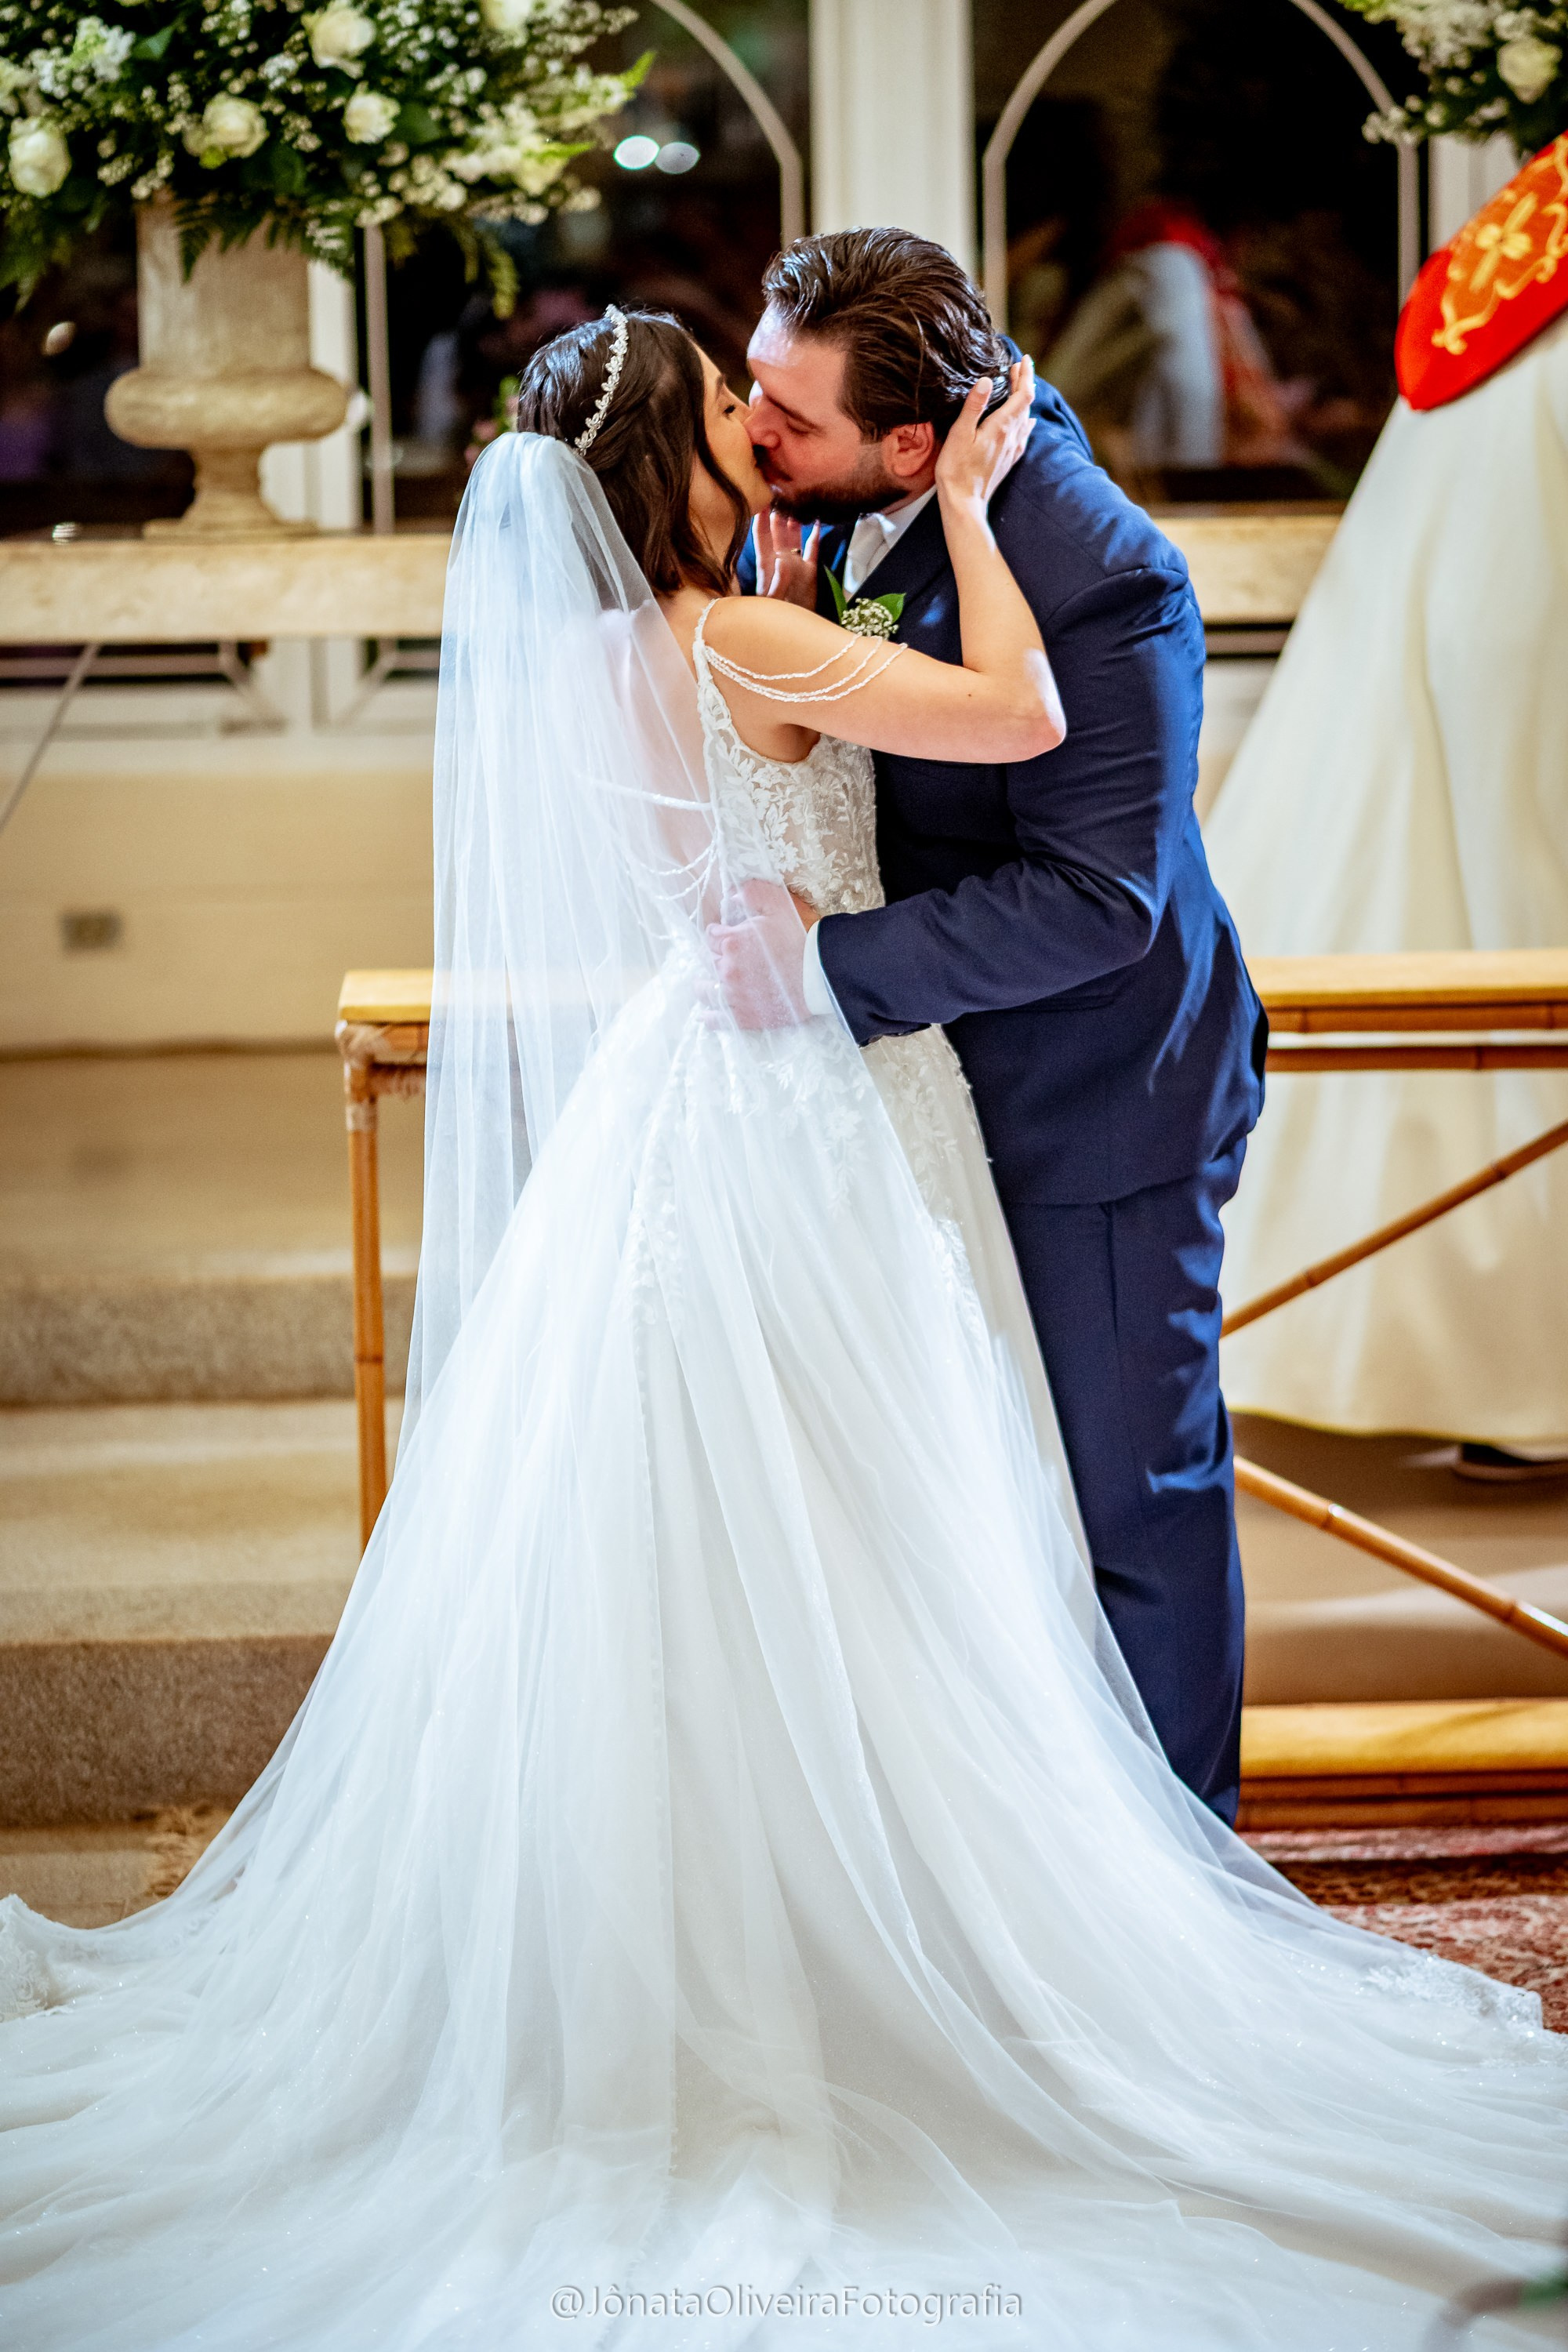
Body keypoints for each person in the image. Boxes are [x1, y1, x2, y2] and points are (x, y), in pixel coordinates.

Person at [2, 303, 1566, 2352]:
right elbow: (1009, 719)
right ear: (682, 464)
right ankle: (904, 1950)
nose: (766, 431)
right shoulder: (729, 640)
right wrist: (984, 514)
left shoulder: (589, 655)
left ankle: (701, 1950)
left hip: (680, 1094)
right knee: (878, 1516)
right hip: (797, 1104)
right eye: (736, 410)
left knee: (705, 1544)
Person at [732, 227, 1266, 1824]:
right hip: (927, 1093)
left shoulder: (1095, 566)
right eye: (754, 387)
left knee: (1129, 1504)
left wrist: (824, 965)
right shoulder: (848, 521)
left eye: (788, 416)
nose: (754, 430)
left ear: (912, 440)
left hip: (1095, 1101)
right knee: (984, 1498)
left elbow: (1104, 899)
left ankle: (1191, 1893)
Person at [1205, 146, 1568, 1478]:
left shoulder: (1520, 230)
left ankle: (1462, 1349)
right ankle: (1527, 1367)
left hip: (1459, 624)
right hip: (1533, 651)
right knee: (1523, 969)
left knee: (1445, 921)